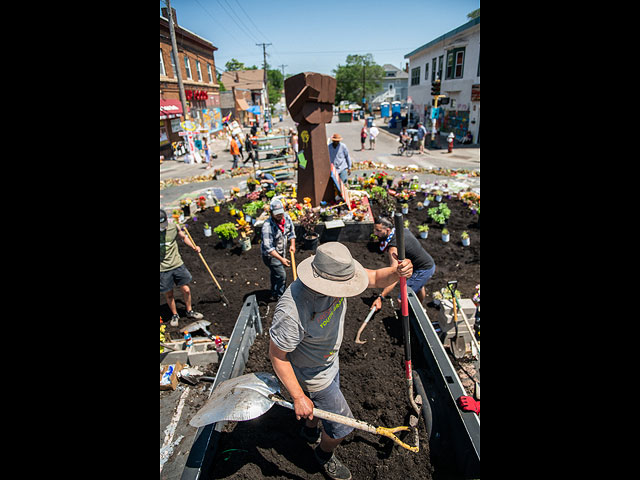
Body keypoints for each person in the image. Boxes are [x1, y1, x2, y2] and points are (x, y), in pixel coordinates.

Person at [268, 242, 413, 480]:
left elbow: (376, 277)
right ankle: (324, 454)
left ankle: (309, 430)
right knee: (342, 427)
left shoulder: (338, 274)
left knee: (316, 410)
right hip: (311, 372)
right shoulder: (293, 309)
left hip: (329, 360)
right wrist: (298, 396)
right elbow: (277, 355)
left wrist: (398, 272)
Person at [372, 216, 436, 311]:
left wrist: (381, 297)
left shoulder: (393, 248)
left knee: (402, 298)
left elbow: (394, 274)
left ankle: (406, 318)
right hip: (428, 263)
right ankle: (419, 309)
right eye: (375, 230)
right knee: (419, 286)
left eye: (378, 231)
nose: (375, 233)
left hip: (423, 269)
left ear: (388, 230)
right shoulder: (402, 231)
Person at [160, 209, 204, 327]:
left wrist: (194, 247)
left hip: (177, 264)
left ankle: (189, 311)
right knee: (169, 294)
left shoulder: (173, 227)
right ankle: (175, 314)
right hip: (162, 268)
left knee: (186, 289)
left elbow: (183, 237)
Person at [261, 198, 296, 301]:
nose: (279, 216)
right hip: (270, 255)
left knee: (275, 273)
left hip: (281, 251)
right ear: (271, 213)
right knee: (282, 275)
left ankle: (274, 291)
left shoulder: (286, 218)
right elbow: (269, 248)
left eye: (280, 213)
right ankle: (281, 297)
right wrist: (282, 260)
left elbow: (292, 233)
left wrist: (292, 245)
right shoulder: (267, 226)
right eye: (276, 214)